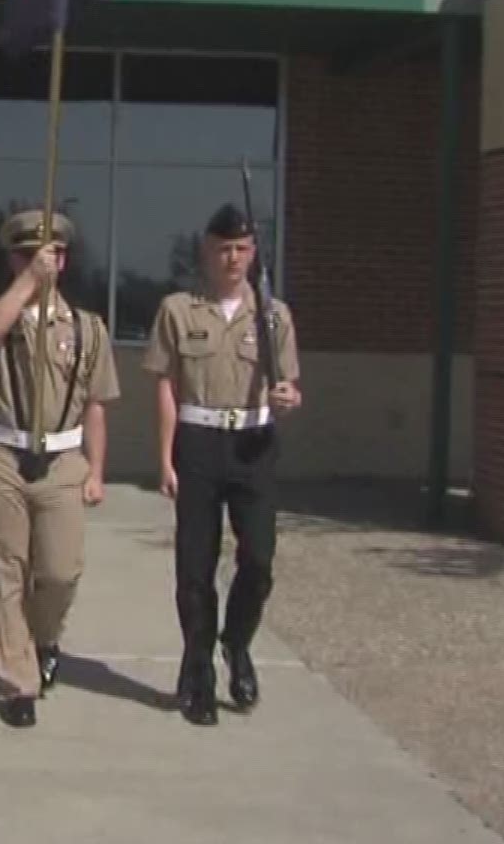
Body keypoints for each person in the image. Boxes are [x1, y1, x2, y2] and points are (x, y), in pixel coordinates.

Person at [0, 211, 118, 728]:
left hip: (64, 461)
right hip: (5, 456)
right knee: (4, 574)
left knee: (59, 572)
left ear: (64, 260)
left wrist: (96, 470)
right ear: (13, 259)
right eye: (25, 255)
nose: (40, 262)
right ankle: (15, 684)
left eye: (48, 256)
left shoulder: (87, 328)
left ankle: (43, 638)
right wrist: (28, 283)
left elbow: (96, 403)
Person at [140, 203, 302, 726]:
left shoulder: (274, 315)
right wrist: (164, 458)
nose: (233, 258)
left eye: (242, 248)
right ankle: (198, 671)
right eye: (223, 249)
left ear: (253, 253)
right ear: (206, 253)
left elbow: (288, 385)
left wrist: (288, 398)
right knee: (194, 568)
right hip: (199, 441)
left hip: (253, 443)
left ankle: (236, 643)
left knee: (258, 561)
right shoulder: (180, 309)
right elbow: (165, 384)